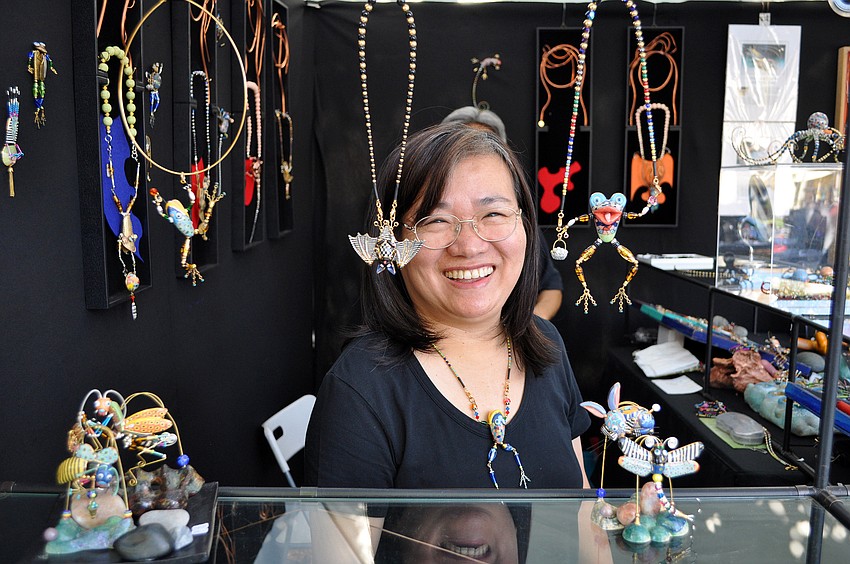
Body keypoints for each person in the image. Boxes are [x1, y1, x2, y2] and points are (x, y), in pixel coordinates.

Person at [305, 121, 602, 561]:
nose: (469, 244)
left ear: (525, 226)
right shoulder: (361, 389)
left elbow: (583, 524)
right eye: (436, 220)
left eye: (494, 214)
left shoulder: (546, 346)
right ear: (394, 243)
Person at [442, 106, 564, 320]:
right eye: (438, 219)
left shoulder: (519, 224)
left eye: (487, 148)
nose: (470, 247)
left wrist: (526, 328)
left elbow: (551, 287)